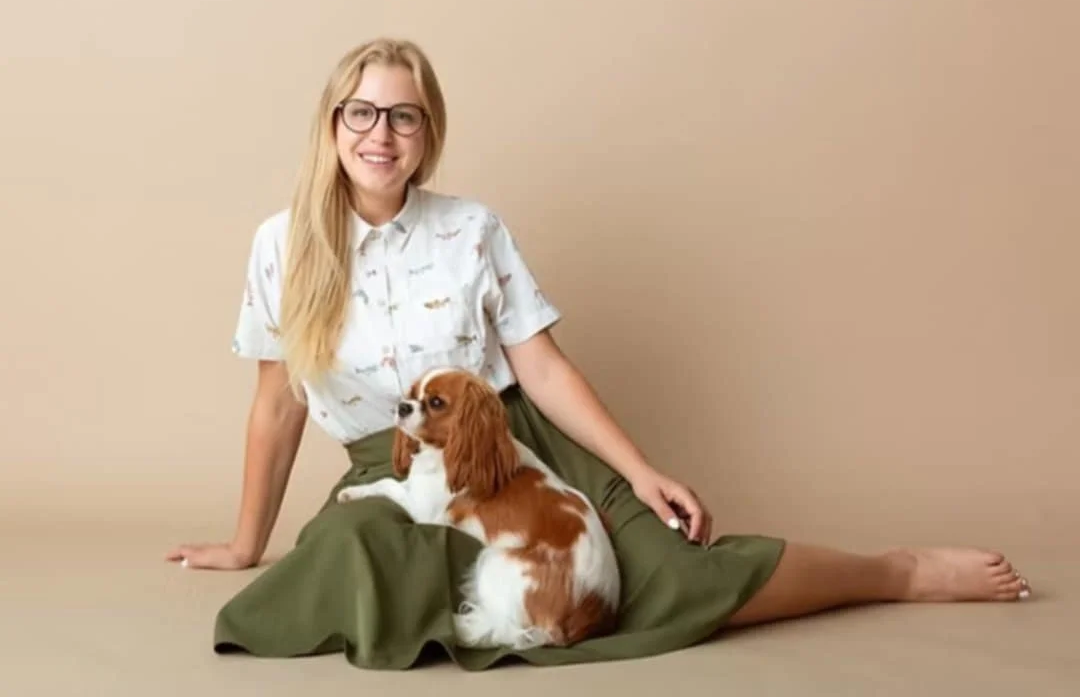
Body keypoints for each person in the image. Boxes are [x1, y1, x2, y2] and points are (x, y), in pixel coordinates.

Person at [166, 38, 1032, 671]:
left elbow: (540, 366)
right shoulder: (282, 245)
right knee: (352, 545)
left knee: (672, 576)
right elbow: (277, 404)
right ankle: (474, 597)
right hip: (396, 462)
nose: (380, 134)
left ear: (428, 133)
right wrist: (246, 542)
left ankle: (895, 572)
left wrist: (640, 471)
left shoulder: (472, 229)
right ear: (332, 125)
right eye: (361, 112)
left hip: (519, 446)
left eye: (404, 115)